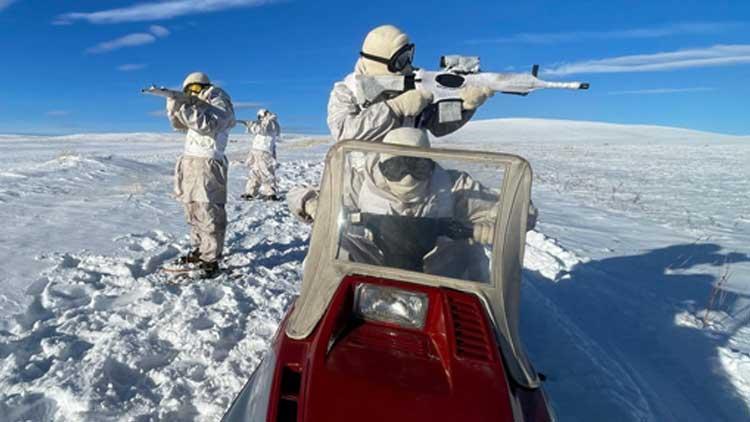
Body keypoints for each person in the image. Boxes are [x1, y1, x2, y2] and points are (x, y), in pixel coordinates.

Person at [291, 127, 502, 280]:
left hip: (436, 269)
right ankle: (322, 308)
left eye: (417, 167)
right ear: (382, 165)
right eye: (397, 167)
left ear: (430, 163)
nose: (407, 178)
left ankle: (478, 318)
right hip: (371, 264)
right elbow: (296, 192)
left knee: (472, 253)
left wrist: (493, 225)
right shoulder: (359, 182)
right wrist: (312, 202)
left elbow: (506, 208)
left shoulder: (453, 185)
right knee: (335, 245)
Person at [327, 24, 494, 142]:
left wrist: (464, 108)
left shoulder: (414, 83)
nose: (408, 65)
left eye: (408, 56)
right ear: (379, 62)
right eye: (400, 60)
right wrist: (394, 108)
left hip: (411, 176)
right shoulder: (347, 91)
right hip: (361, 182)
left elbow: (437, 126)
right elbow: (343, 134)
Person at [165, 71, 236, 278]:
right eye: (188, 91)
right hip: (190, 161)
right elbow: (179, 125)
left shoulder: (219, 101)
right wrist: (174, 106)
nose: (192, 94)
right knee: (193, 208)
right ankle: (200, 249)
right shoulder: (197, 106)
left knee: (208, 209)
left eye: (195, 89)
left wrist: (185, 106)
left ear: (205, 86)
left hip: (208, 161)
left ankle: (211, 258)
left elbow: (207, 125)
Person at [238, 109, 281, 201]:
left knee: (266, 172)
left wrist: (250, 124)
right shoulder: (265, 123)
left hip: (264, 152)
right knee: (254, 172)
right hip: (256, 151)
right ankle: (251, 192)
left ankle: (270, 193)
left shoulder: (271, 122)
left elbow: (261, 129)